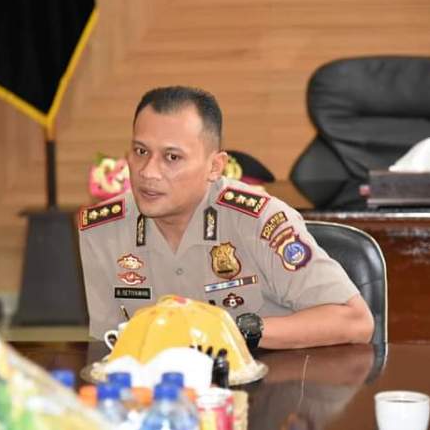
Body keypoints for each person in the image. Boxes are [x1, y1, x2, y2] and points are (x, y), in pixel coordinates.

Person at [78, 86, 374, 349]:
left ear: (215, 167)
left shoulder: (259, 221)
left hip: (264, 383)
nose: (148, 172)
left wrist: (232, 330)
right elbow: (108, 344)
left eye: (172, 157)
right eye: (141, 151)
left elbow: (355, 321)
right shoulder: (103, 230)